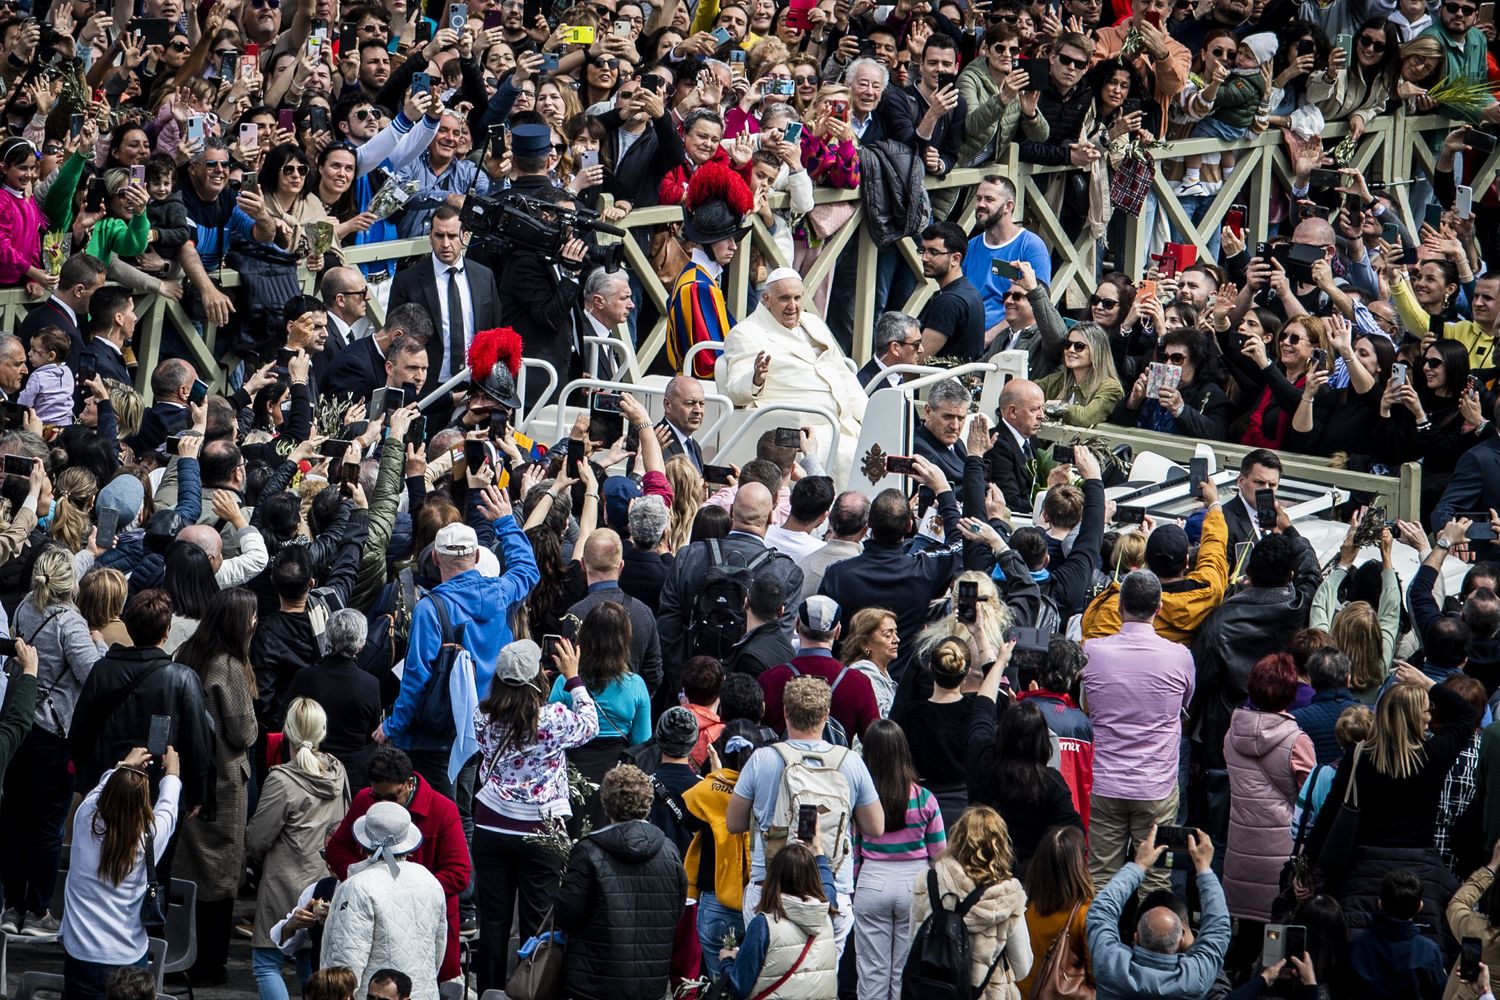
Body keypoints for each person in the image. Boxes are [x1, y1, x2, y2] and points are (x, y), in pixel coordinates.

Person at [378, 490, 538, 797]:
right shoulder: (502, 593)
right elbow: (527, 569)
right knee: (465, 814)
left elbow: (416, 678)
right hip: (488, 727)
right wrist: (505, 521)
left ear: (435, 557)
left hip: (438, 733)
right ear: (477, 556)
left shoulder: (430, 608)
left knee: (438, 811)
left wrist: (393, 726)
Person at [1308, 665, 1477, 944]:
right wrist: (1427, 683)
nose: (1430, 717)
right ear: (1414, 718)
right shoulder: (1433, 757)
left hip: (1361, 872)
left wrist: (1307, 866)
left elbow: (1330, 813)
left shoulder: (1358, 756)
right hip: (1419, 870)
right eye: (1426, 711)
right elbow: (1467, 714)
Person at [472, 639, 598, 992]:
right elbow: (590, 724)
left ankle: (490, 992)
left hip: (491, 823)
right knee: (537, 922)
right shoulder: (553, 719)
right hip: (541, 829)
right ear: (538, 678)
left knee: (493, 922)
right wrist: (573, 678)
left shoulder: (482, 715)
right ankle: (531, 990)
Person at [728, 675, 884, 954]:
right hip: (830, 889)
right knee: (821, 980)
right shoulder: (851, 762)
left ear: (786, 712)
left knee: (768, 977)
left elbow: (734, 822)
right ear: (826, 714)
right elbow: (875, 827)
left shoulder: (763, 759)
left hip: (770, 888)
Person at [1, 544, 106, 938]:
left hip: (18, 724)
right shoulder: (70, 624)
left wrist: (89, 552)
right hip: (53, 733)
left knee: (12, 821)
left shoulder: (26, 607)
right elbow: (93, 675)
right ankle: (39, 910)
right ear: (70, 585)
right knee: (47, 826)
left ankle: (11, 906)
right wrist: (100, 643)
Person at [1082, 571, 1195, 893]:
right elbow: (1184, 703)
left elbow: (1086, 703)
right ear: (1159, 607)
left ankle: (1096, 942)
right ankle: (1153, 942)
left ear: (1119, 607)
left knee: (1101, 877)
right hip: (1155, 785)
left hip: (1105, 782)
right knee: (1156, 877)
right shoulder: (1181, 657)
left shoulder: (1092, 652)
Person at [323, 746, 471, 987]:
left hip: (424, 925)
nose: (382, 805)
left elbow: (459, 873)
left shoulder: (443, 810)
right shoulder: (363, 801)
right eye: (376, 797)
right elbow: (336, 849)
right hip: (377, 924)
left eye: (391, 798)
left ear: (409, 783)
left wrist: (406, 889)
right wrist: (363, 876)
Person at [172, 588, 260, 985]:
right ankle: (211, 964)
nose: (256, 623)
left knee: (187, 870)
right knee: (221, 877)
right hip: (224, 784)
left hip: (190, 777)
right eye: (252, 617)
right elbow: (244, 733)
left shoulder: (190, 653)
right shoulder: (227, 666)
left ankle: (181, 954)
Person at [68, 589, 214, 824]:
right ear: (166, 632)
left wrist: (87, 783)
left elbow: (79, 732)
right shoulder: (182, 678)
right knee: (154, 855)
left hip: (107, 784)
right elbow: (197, 741)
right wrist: (196, 792)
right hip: (158, 789)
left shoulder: (102, 670)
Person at [246, 697, 351, 1000]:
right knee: (311, 959)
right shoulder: (338, 771)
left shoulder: (281, 779)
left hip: (283, 881)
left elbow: (258, 838)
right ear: (322, 731)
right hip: (322, 881)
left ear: (288, 731)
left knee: (267, 962)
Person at [554, 764, 688, 1000]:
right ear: (648, 803)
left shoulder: (587, 852)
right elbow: (676, 910)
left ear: (606, 804)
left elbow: (567, 914)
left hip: (593, 982)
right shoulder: (670, 851)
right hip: (650, 982)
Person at [720, 269, 867, 482]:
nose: (793, 306)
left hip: (844, 421)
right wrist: (756, 377)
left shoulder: (813, 323)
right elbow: (734, 389)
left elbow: (843, 374)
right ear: (766, 299)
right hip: (804, 429)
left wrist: (869, 414)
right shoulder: (746, 333)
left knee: (880, 445)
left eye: (797, 298)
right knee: (853, 456)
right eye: (784, 299)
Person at [58, 746, 181, 1000]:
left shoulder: (84, 819)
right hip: (128, 957)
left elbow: (100, 790)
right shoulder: (150, 837)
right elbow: (168, 805)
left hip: (81, 953)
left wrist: (123, 765)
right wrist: (172, 773)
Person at [659, 483, 804, 666]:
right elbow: (777, 642)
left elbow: (667, 624)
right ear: (770, 517)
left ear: (731, 511)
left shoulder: (689, 556)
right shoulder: (786, 571)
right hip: (748, 685)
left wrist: (683, 681)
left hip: (691, 680)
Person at [853, 719, 945, 1000]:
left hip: (871, 881)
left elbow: (854, 852)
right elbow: (939, 855)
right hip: (914, 885)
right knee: (905, 971)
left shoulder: (862, 799)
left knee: (871, 971)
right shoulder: (925, 799)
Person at [1223, 654, 1316, 933]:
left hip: (1239, 851)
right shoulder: (1296, 742)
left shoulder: (1232, 736)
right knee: (1277, 937)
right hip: (1281, 857)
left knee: (1246, 936)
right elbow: (1310, 797)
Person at [320, 801, 448, 1000]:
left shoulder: (358, 886)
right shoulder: (429, 880)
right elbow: (438, 949)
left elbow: (346, 961)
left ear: (363, 845)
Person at [1086, 826, 1230, 1000]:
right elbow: (1218, 928)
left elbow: (1100, 911)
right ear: (1182, 939)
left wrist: (1139, 866)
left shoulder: (1110, 964)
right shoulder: (1194, 979)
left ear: (1136, 937)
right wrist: (1204, 868)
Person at [909, 805, 1034, 1000]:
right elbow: (1023, 967)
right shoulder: (1007, 896)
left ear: (957, 838)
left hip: (936, 993)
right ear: (1000, 845)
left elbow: (914, 943)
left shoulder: (929, 881)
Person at [386, 205, 501, 400]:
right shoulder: (407, 281)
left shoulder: (484, 276)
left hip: (476, 386)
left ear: (465, 236)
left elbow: (494, 329)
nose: (445, 243)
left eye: (452, 236)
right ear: (430, 236)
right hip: (427, 389)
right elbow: (395, 338)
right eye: (439, 236)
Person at [720, 838, 839, 998]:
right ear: (814, 877)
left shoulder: (764, 924)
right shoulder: (825, 913)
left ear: (773, 878)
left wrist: (727, 961)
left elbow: (738, 986)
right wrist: (819, 854)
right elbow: (828, 886)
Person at [283, 609, 384, 790]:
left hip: (309, 770)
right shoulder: (370, 684)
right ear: (360, 645)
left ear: (327, 638)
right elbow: (373, 730)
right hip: (352, 776)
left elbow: (287, 720)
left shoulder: (304, 678)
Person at [758, 596, 881, 741]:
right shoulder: (858, 683)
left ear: (797, 625)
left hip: (785, 762)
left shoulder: (770, 680)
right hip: (837, 763)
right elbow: (875, 741)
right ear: (838, 632)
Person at [566, 528, 664, 694]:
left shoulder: (575, 615)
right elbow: (653, 674)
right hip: (631, 712)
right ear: (621, 565)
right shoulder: (644, 613)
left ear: (582, 564)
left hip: (583, 710)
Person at [1018, 825, 1094, 998]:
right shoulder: (1085, 913)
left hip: (1024, 992)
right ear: (1078, 864)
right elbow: (1096, 974)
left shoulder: (1026, 904)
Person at [1347, 871, 1447, 1000]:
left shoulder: (1357, 946)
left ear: (1380, 903)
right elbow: (1440, 993)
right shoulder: (1429, 952)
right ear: (1419, 906)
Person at [918, 221, 987, 361]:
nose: (924, 258)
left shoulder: (949, 301)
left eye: (933, 252)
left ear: (955, 258)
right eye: (923, 250)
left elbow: (918, 360)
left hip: (943, 381)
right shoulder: (970, 292)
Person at [984, 378, 1047, 514]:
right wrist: (1052, 502)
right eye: (1035, 409)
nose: (1041, 415)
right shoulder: (996, 445)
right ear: (1012, 412)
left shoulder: (1031, 438)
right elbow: (1010, 501)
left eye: (1042, 408)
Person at [858, 312, 925, 391]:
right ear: (895, 348)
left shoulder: (896, 379)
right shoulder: (866, 389)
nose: (921, 350)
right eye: (916, 344)